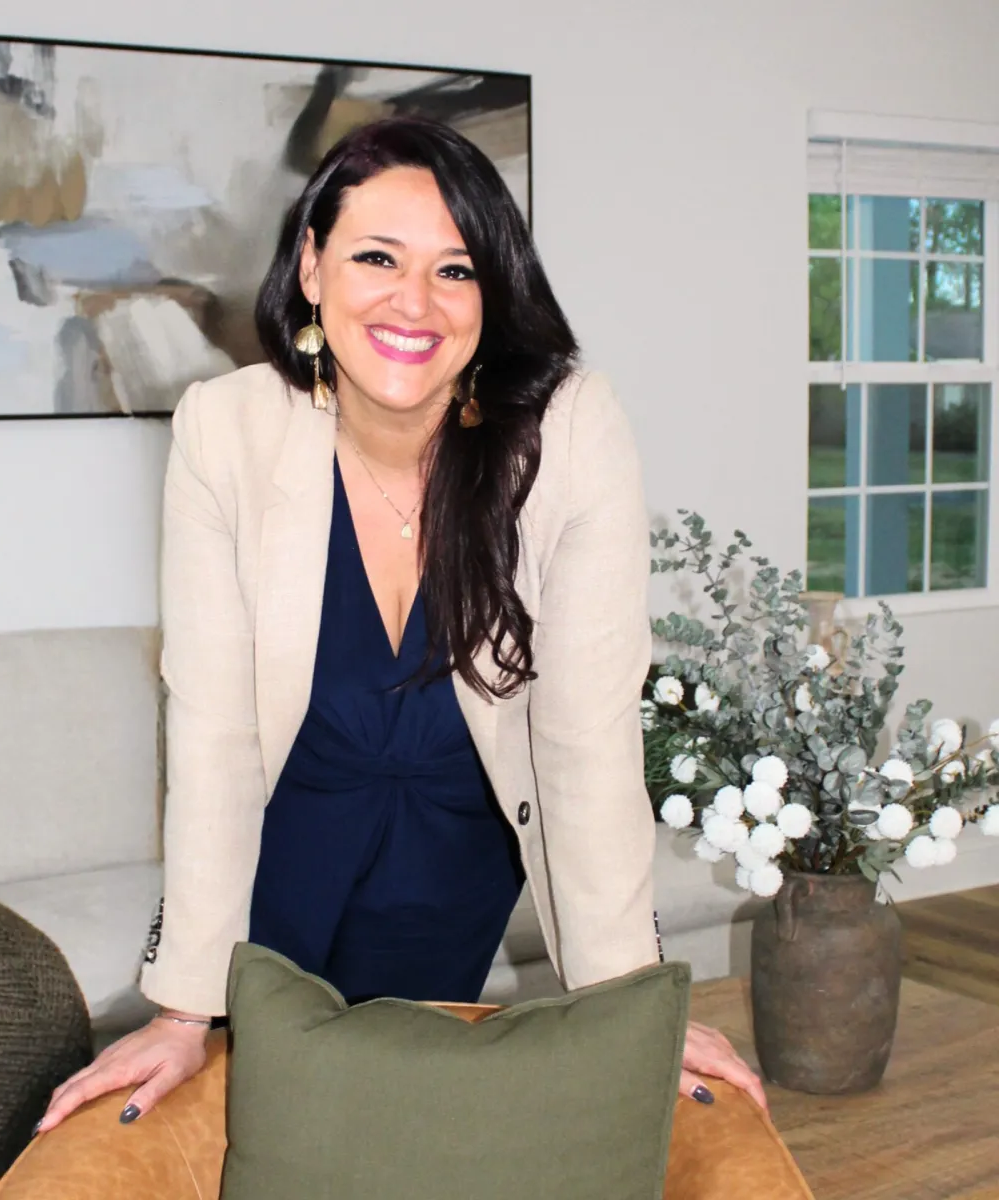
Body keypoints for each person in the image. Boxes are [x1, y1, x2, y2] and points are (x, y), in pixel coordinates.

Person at [38, 116, 764, 1134]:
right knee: (264, 1138)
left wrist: (632, 997)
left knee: (404, 1138)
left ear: (491, 292)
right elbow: (213, 734)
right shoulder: (227, 430)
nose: (413, 302)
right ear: (312, 267)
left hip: (454, 865)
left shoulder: (566, 432)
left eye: (454, 270)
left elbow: (588, 737)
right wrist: (183, 1010)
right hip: (279, 863)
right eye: (377, 257)